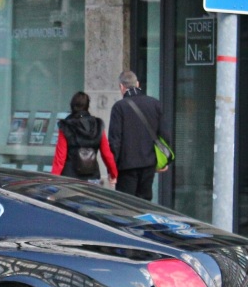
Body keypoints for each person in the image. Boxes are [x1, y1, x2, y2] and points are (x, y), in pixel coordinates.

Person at [108, 70, 169, 201]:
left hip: (126, 166)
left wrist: (112, 169)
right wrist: (164, 161)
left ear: (121, 87)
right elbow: (164, 134)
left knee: (126, 205)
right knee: (144, 204)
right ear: (137, 84)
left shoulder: (119, 107)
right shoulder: (155, 103)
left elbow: (115, 141)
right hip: (149, 164)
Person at [51, 91, 117, 185]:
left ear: (72, 105)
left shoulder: (66, 126)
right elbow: (106, 153)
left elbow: (60, 157)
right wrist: (113, 173)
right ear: (87, 106)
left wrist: (53, 179)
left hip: (70, 177)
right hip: (92, 176)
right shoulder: (97, 125)